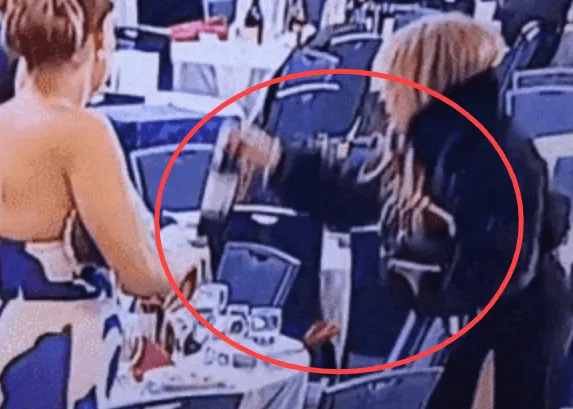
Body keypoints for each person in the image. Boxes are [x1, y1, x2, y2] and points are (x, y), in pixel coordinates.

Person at [226, 13, 572, 409]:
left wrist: (427, 279)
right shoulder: (426, 141)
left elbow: (500, 270)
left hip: (513, 336)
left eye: (393, 81)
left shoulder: (492, 154)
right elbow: (356, 194)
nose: (384, 94)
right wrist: (278, 159)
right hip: (462, 330)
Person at [0, 0, 198, 407]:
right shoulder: (83, 134)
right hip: (59, 363)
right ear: (99, 40)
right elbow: (141, 276)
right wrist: (185, 262)